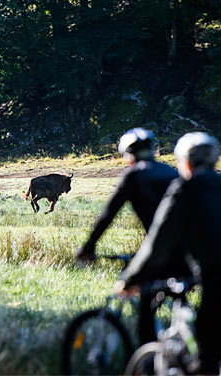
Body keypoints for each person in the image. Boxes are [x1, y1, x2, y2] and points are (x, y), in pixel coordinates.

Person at [115, 132, 221, 374]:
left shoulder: (184, 189)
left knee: (208, 350)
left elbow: (157, 245)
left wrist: (130, 279)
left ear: (185, 162)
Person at [76, 127, 179, 345]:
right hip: (192, 250)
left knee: (145, 304)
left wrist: (88, 247)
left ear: (127, 154)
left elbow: (108, 215)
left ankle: (147, 361)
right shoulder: (172, 172)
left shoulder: (133, 175)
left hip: (159, 250)